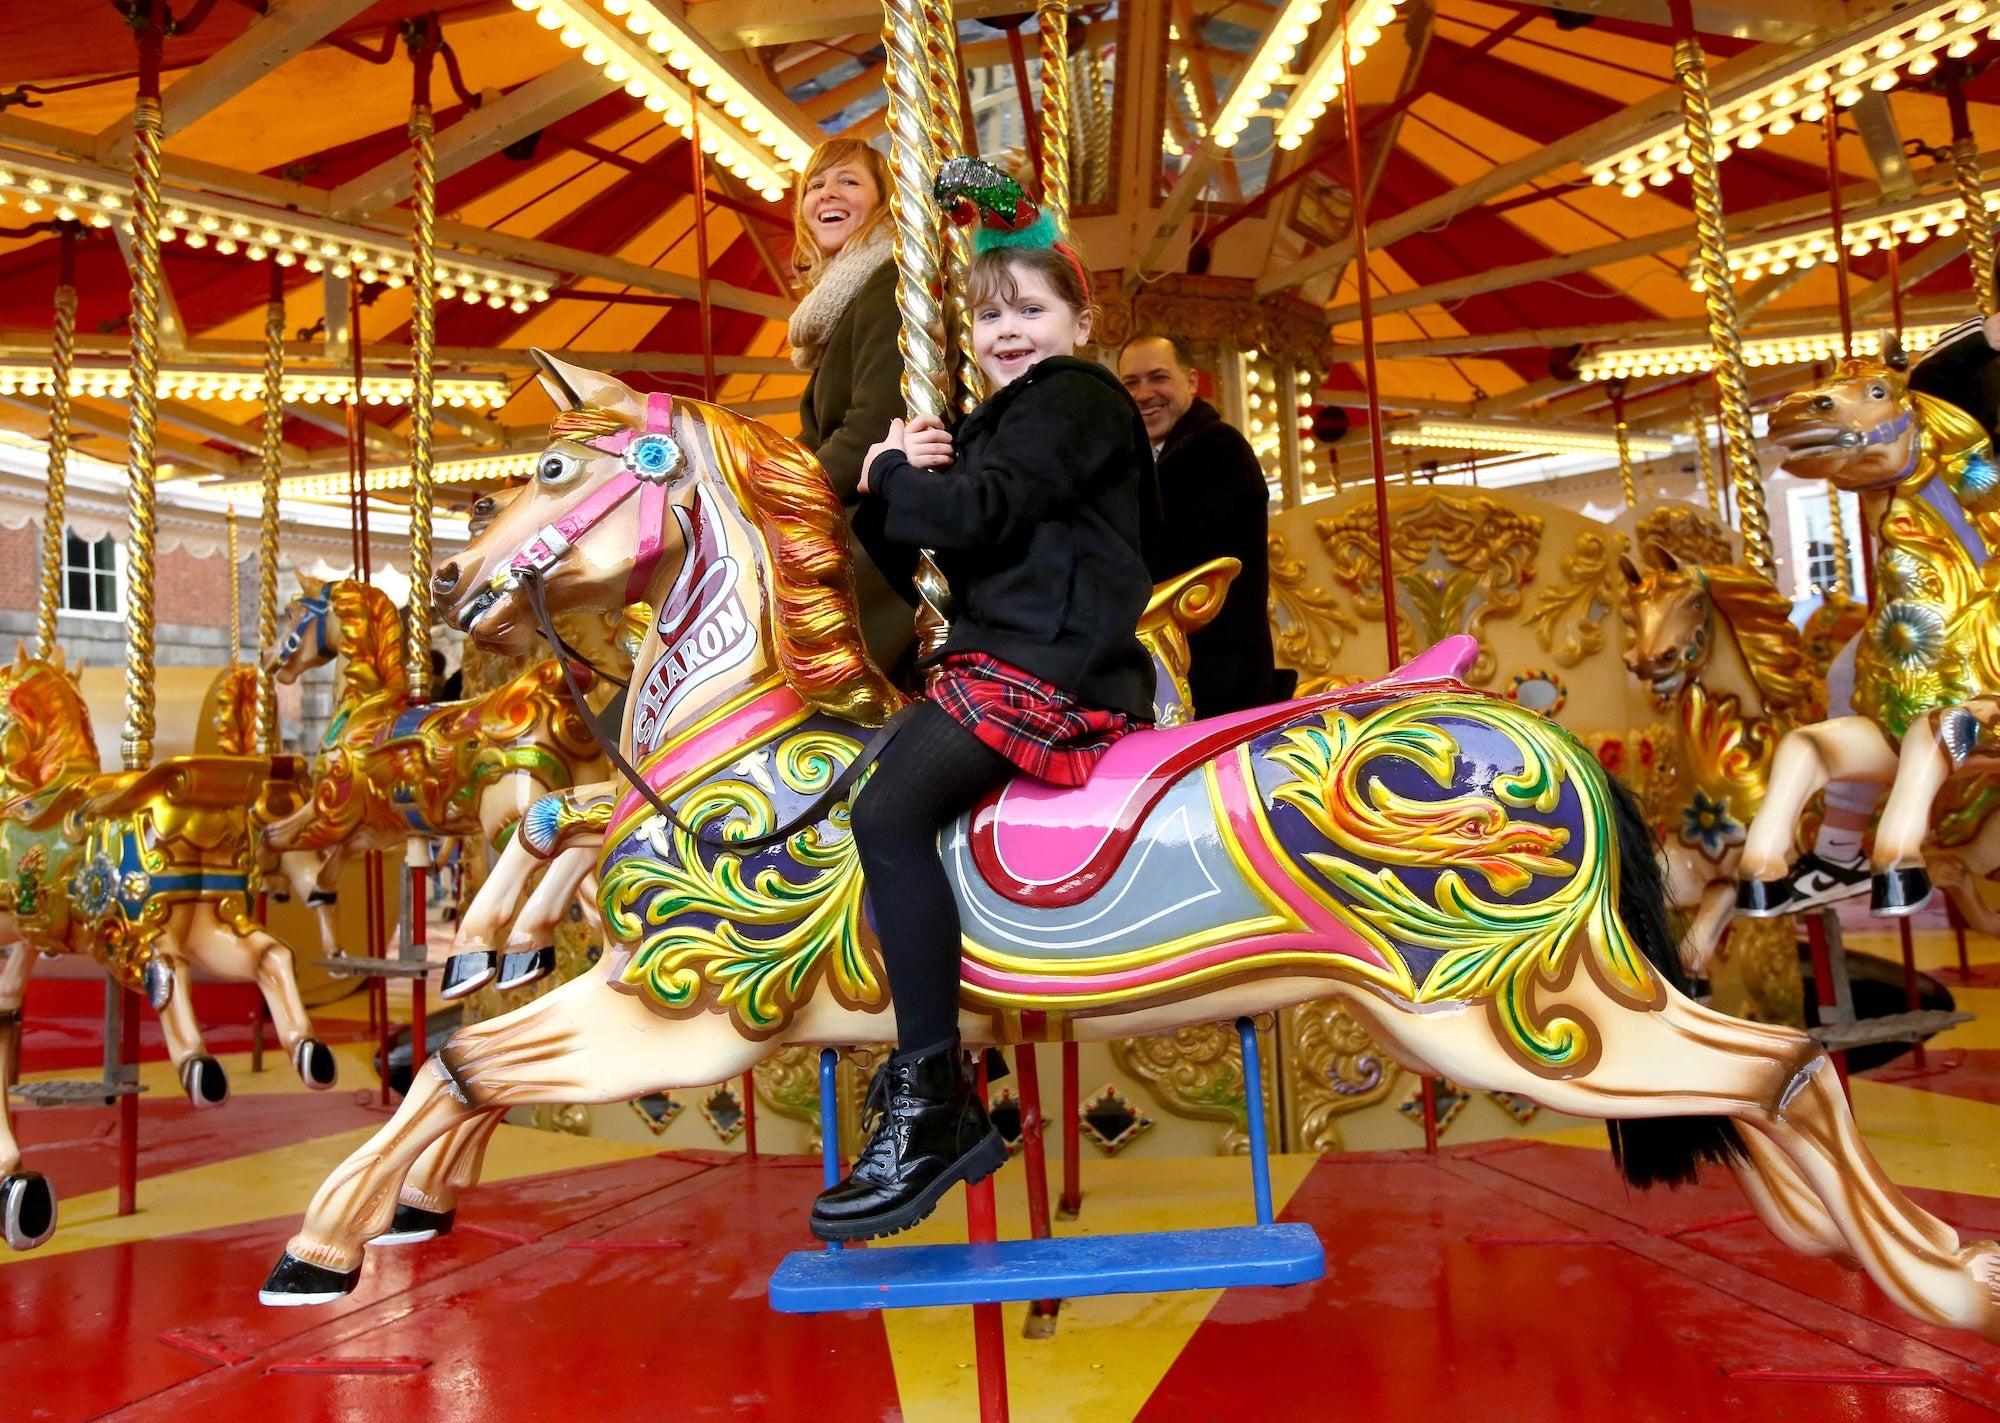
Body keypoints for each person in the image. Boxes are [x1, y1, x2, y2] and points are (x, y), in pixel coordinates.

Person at [811, 209, 1158, 1244]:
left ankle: (932, 1099)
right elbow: (928, 550)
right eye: (989, 317)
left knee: (885, 813)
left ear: (1081, 323)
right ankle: (946, 1066)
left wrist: (900, 475)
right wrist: (894, 476)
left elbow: (972, 516)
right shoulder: (1006, 420)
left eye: (1031, 311)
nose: (1009, 332)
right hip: (1009, 649)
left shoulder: (1075, 398)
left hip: (1047, 663)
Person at [789, 136, 917, 673]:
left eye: (848, 181)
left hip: (882, 519)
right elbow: (818, 432)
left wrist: (786, 495)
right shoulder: (840, 301)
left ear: (883, 200)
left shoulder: (888, 279)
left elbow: (874, 424)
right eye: (815, 185)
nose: (827, 193)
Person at [1118, 332, 1277, 715]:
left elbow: (1176, 555)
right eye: (1131, 383)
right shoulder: (1140, 458)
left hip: (1214, 667)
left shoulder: (1218, 450)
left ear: (1191, 381)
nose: (1144, 394)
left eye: (1158, 378)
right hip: (1163, 660)